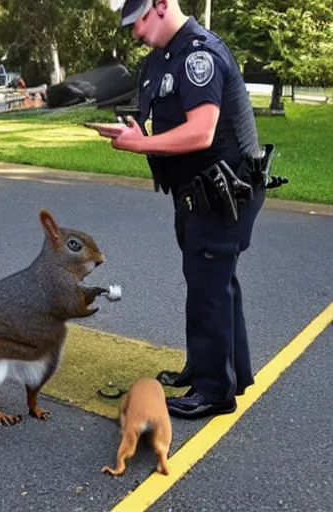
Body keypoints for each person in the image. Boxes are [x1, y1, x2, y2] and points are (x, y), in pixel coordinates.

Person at [110, 0, 277, 419]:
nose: (134, 32)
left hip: (222, 195)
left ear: (162, 5)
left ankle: (214, 392)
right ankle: (218, 370)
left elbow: (201, 132)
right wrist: (136, 131)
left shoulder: (200, 55)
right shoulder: (163, 60)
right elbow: (169, 122)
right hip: (197, 193)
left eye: (139, 21)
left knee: (209, 291)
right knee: (213, 286)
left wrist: (139, 144)